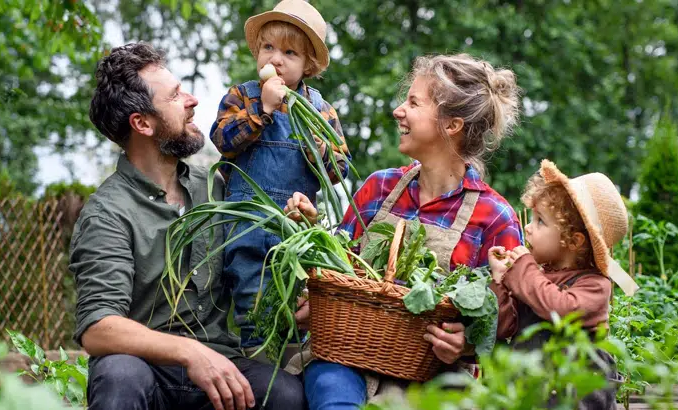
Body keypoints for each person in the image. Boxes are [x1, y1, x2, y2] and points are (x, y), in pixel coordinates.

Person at [71, 42, 304, 410]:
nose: (193, 100)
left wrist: (291, 226)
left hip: (219, 367)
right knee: (119, 377)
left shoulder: (216, 186)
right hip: (149, 371)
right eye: (176, 95)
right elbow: (99, 328)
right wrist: (189, 352)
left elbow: (253, 261)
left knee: (285, 395)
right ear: (142, 123)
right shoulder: (107, 213)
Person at [298, 53, 525, 410]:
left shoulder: (494, 216)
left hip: (434, 380)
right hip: (348, 359)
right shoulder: (378, 189)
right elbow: (336, 271)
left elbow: (511, 318)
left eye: (413, 103)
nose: (398, 111)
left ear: (451, 125)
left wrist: (467, 341)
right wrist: (313, 238)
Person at [209, 0, 350, 356]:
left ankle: (292, 365)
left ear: (309, 65)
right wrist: (264, 109)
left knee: (297, 305)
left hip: (296, 229)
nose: (276, 59)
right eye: (268, 48)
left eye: (289, 52)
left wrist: (321, 151)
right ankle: (260, 364)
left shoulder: (321, 110)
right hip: (247, 225)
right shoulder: (242, 96)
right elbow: (222, 139)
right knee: (255, 306)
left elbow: (340, 169)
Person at [487, 159, 639, 409]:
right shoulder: (535, 278)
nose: (528, 227)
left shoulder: (595, 285)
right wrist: (500, 280)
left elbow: (561, 309)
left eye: (540, 221)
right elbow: (504, 327)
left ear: (573, 241)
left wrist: (524, 268)